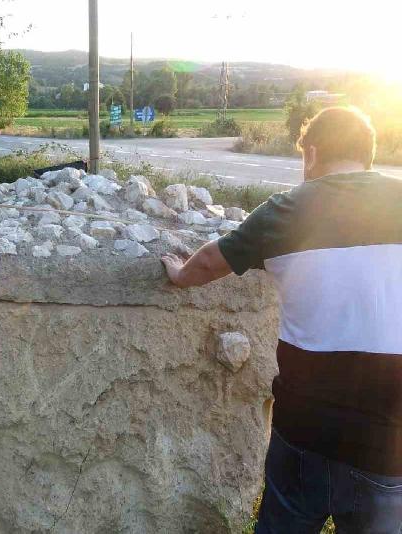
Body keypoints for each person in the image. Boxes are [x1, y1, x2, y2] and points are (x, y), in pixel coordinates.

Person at [161, 106, 402, 533]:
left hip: (305, 428)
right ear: (367, 154)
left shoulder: (287, 210)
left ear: (311, 154)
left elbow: (211, 261)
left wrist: (179, 274)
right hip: (389, 442)